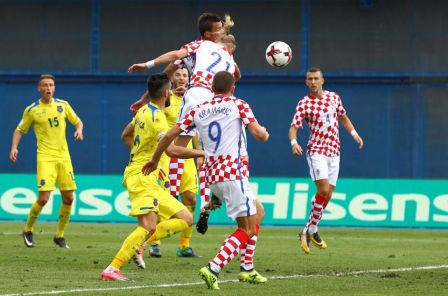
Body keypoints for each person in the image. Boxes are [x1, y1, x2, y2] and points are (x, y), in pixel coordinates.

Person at [141, 71, 270, 289]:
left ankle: (247, 267)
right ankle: (213, 267)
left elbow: (170, 137)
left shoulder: (198, 110)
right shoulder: (238, 104)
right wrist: (265, 134)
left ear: (212, 89)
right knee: (247, 228)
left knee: (258, 212)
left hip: (211, 176)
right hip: (233, 172)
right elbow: (258, 134)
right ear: (232, 89)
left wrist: (155, 158)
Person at [100, 73, 205, 281]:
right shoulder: (157, 117)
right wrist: (204, 153)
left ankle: (142, 245)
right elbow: (172, 150)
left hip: (148, 175)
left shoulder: (141, 112)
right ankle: (112, 268)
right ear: (166, 92)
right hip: (142, 176)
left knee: (185, 218)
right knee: (147, 225)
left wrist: (142, 155)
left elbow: (126, 135)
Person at [288, 67, 364, 254]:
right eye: (309, 79)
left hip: (334, 151)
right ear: (306, 82)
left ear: (323, 80)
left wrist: (354, 133)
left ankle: (310, 229)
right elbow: (293, 127)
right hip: (316, 151)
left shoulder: (333, 97)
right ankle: (310, 229)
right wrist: (293, 142)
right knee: (322, 190)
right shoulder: (304, 104)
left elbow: (343, 116)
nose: (313, 82)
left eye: (316, 78)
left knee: (328, 195)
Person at [9, 74, 84, 249]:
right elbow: (19, 130)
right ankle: (28, 229)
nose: (48, 88)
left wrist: (79, 130)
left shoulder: (63, 105)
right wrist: (14, 147)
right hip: (45, 158)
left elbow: (78, 121)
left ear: (54, 88)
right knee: (43, 198)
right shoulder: (32, 110)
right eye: (45, 85)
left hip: (64, 158)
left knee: (69, 198)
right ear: (39, 88)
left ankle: (59, 235)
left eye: (51, 85)